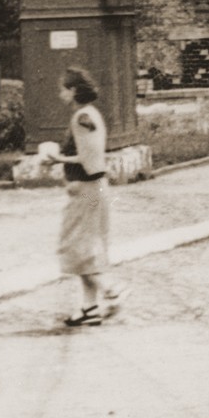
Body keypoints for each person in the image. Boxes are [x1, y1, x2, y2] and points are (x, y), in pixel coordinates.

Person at [41, 68, 127, 327]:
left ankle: (111, 290)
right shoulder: (88, 115)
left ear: (74, 90)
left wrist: (56, 158)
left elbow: (90, 160)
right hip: (90, 190)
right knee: (85, 248)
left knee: (74, 247)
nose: (60, 94)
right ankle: (89, 308)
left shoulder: (83, 117)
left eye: (63, 89)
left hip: (88, 191)